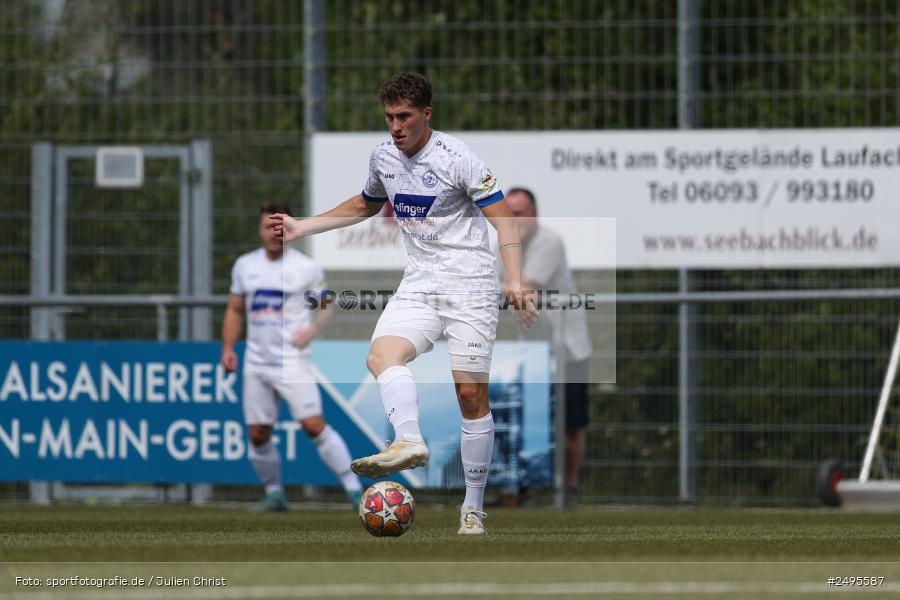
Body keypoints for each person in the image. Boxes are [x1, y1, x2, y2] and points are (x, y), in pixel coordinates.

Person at [269, 72, 537, 535]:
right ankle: (408, 440)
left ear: (426, 114)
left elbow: (506, 222)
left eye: (405, 116)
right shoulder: (383, 157)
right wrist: (301, 226)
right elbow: (365, 204)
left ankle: (473, 509)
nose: (396, 126)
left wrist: (513, 279)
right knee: (380, 355)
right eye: (390, 116)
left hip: (470, 284)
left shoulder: (457, 157)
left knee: (470, 395)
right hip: (419, 282)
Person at [221, 202, 362, 512]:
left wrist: (312, 330)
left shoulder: (305, 267)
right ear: (259, 230)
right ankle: (274, 493)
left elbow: (326, 307)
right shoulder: (245, 265)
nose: (274, 233)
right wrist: (228, 349)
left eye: (279, 227)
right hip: (257, 361)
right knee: (258, 432)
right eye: (268, 227)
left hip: (292, 360)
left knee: (313, 425)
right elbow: (234, 309)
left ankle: (354, 490)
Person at [501, 187, 594, 507]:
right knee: (527, 420)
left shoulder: (549, 241)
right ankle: (522, 490)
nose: (514, 220)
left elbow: (523, 286)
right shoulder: (502, 244)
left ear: (534, 214)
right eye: (508, 214)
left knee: (570, 425)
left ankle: (569, 490)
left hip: (568, 346)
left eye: (519, 213)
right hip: (532, 347)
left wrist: (502, 287)